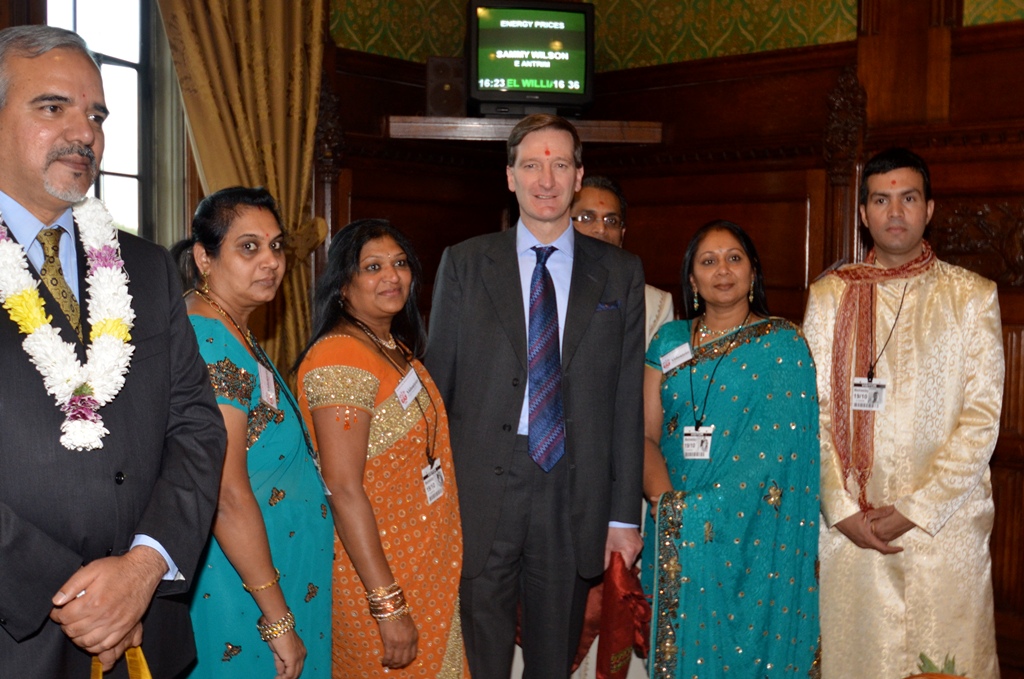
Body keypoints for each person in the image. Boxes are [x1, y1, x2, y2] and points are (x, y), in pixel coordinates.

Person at [0, 25, 225, 677]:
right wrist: (76, 596)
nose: (85, 132)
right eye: (53, 107)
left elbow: (197, 429)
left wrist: (145, 563)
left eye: (95, 113)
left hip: (146, 635)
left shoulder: (148, 267)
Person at [425, 113, 646, 678]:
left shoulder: (620, 273)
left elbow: (625, 404)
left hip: (573, 493)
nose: (545, 180)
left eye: (560, 165)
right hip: (479, 491)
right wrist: (433, 503)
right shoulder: (466, 263)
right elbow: (437, 391)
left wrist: (623, 517)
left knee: (554, 662)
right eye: (531, 165)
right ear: (509, 176)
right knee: (483, 661)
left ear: (578, 177)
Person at [804, 147, 1004, 679]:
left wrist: (915, 509)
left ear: (929, 209)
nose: (895, 212)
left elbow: (982, 420)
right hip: (852, 530)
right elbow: (812, 414)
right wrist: (840, 508)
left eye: (908, 198)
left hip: (944, 529)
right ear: (864, 214)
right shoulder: (829, 297)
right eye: (881, 200)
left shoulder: (972, 296)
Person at [641, 219, 820, 678]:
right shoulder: (668, 341)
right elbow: (643, 435)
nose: (723, 269)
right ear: (692, 279)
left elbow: (780, 456)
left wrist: (705, 510)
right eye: (708, 261)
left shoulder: (784, 345)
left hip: (756, 530)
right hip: (672, 521)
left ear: (753, 273)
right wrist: (670, 507)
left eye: (734, 258)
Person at [171, 187, 331, 678]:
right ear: (204, 256)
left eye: (277, 246)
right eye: (248, 247)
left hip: (277, 567)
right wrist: (277, 619)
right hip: (243, 588)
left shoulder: (229, 326)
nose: (270, 261)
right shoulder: (209, 338)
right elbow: (226, 492)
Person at [295, 219, 468, 676]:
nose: (392, 277)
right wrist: (388, 606)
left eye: (399, 263)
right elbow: (342, 488)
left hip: (424, 570)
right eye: (372, 267)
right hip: (377, 578)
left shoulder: (389, 346)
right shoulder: (339, 356)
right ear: (342, 287)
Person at [571, 175, 674, 347]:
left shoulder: (655, 303)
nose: (601, 229)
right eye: (587, 218)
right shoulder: (544, 289)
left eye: (611, 221)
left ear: (622, 234)